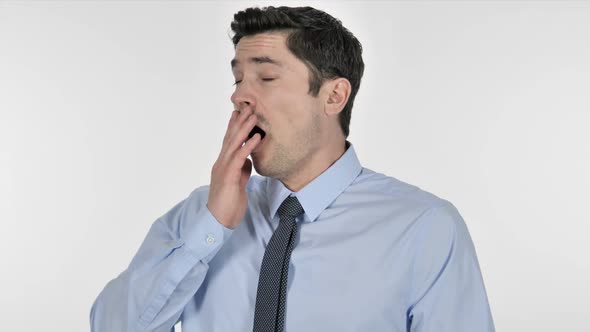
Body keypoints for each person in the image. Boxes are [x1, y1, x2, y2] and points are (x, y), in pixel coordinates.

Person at [90, 5, 495, 332]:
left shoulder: (424, 228)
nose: (240, 98)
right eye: (237, 80)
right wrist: (211, 228)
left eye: (266, 77)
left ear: (334, 95)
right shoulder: (201, 216)